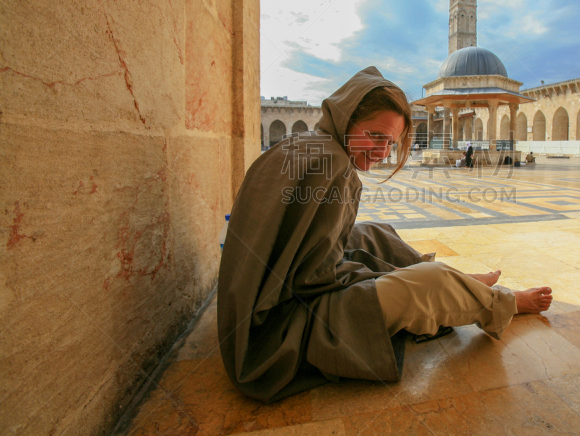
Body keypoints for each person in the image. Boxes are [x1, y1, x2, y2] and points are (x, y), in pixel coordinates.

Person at [217, 66, 553, 403]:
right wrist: (394, 276)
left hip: (253, 316)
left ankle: (461, 282)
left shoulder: (310, 146)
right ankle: (504, 304)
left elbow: (305, 255)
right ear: (348, 118)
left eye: (390, 142)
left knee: (373, 234)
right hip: (276, 337)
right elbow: (313, 279)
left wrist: (385, 272)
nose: (382, 152)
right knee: (427, 282)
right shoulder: (332, 166)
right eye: (375, 136)